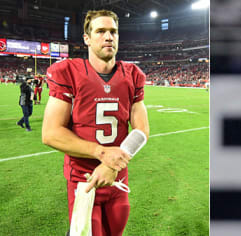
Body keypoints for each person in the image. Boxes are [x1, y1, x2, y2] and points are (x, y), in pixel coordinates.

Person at [42, 9, 149, 236]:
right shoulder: (68, 72)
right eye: (100, 31)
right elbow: (51, 133)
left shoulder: (132, 75)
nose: (108, 36)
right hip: (85, 183)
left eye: (113, 32)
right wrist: (102, 154)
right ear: (87, 39)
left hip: (117, 180)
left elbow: (141, 130)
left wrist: (111, 165)